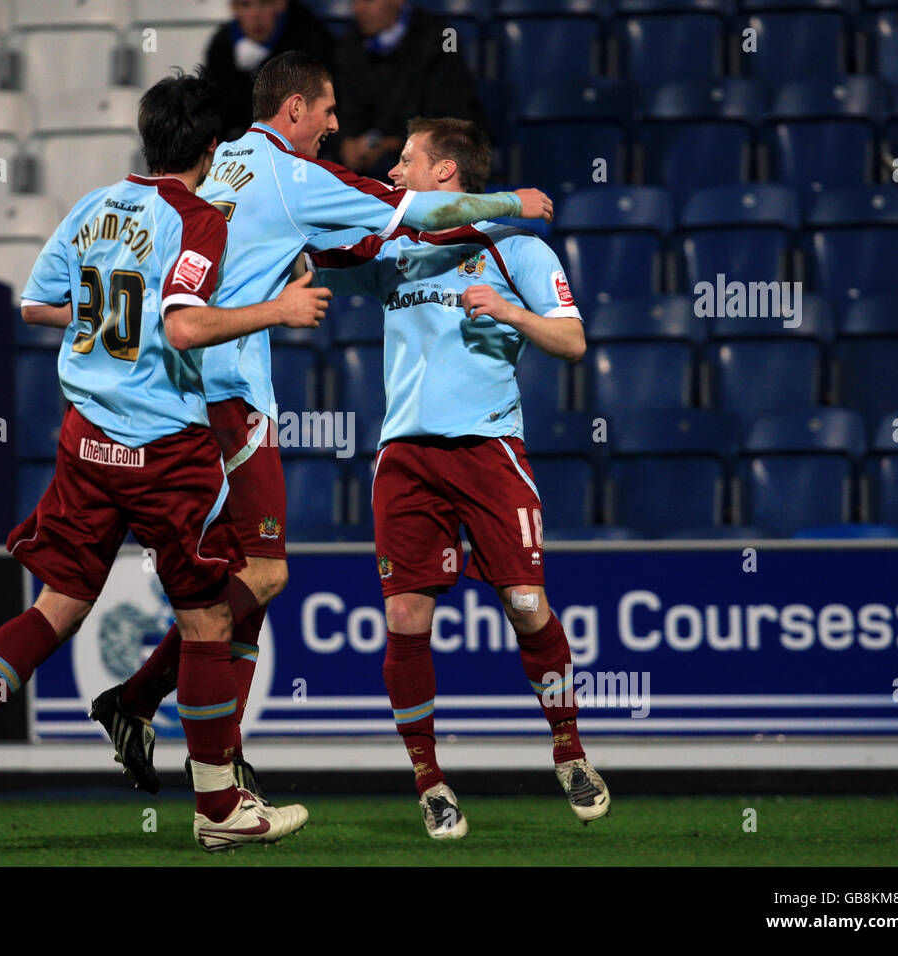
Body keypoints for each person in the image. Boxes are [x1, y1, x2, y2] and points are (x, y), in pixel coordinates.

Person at [93, 51, 553, 799]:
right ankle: (154, 712)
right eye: (329, 110)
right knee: (262, 573)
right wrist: (508, 204)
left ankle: (205, 747)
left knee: (243, 577)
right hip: (232, 391)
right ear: (296, 109)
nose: (338, 124)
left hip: (168, 387)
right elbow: (414, 216)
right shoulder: (296, 175)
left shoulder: (217, 158)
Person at [0, 70, 329, 852]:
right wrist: (282, 309)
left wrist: (98, 320)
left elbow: (34, 305)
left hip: (85, 442)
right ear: (210, 147)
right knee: (204, 620)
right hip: (163, 450)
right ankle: (219, 812)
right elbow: (188, 329)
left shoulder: (94, 205)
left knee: (56, 606)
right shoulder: (198, 217)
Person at [305, 117, 608, 838]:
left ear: (446, 172)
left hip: (489, 450)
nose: (395, 169)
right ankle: (430, 782)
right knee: (406, 619)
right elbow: (316, 256)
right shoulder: (396, 245)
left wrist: (507, 310)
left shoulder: (520, 249)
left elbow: (572, 339)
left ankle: (568, 748)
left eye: (407, 160)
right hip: (406, 457)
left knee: (528, 604)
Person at [331, 0, 485, 178]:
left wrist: (395, 144)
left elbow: (450, 115)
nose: (358, 8)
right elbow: (343, 105)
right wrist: (345, 142)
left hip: (424, 164)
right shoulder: (347, 44)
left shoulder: (441, 38)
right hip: (362, 167)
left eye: (368, 1)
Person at [205, 0, 333, 142]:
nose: (256, 15)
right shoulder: (221, 47)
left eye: (264, 3)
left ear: (280, 4)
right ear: (234, 8)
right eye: (245, 5)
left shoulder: (310, 44)